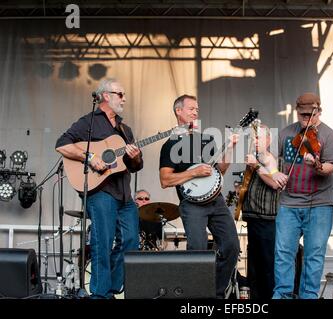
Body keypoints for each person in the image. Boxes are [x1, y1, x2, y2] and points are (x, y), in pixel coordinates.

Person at [55, 78, 142, 299]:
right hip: (100, 191)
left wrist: (136, 156)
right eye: (120, 94)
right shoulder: (89, 122)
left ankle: (111, 287)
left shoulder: (125, 129)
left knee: (132, 240)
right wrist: (90, 157)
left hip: (124, 194)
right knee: (101, 242)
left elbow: (134, 166)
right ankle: (101, 294)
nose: (124, 99)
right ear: (105, 96)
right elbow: (62, 144)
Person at [159, 94, 240, 298]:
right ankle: (196, 296)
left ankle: (216, 293)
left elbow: (219, 170)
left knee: (231, 246)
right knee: (198, 250)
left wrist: (230, 148)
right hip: (192, 204)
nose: (196, 111)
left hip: (216, 202)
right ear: (179, 111)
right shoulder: (170, 145)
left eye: (197, 108)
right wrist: (192, 173)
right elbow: (165, 180)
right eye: (191, 108)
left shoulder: (207, 139)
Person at [273, 92, 333, 299]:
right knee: (283, 254)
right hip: (289, 203)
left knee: (314, 255)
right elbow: (273, 161)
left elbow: (329, 168)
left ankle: (309, 296)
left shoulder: (329, 136)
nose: (306, 119)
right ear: (297, 111)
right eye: (302, 115)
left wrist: (317, 165)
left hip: (319, 204)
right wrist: (273, 172)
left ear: (319, 111)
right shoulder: (286, 133)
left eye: (310, 115)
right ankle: (282, 295)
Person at [240, 123, 288, 299]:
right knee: (253, 265)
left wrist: (257, 168)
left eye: (259, 137)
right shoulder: (252, 159)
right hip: (252, 218)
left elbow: (276, 183)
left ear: (269, 139)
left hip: (269, 220)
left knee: (268, 265)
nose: (255, 141)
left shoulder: (277, 161)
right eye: (253, 137)